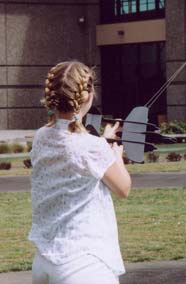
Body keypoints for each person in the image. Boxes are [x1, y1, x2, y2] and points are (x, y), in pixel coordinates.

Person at [29, 61, 131, 284]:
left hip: (44, 261)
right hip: (84, 264)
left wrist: (103, 143)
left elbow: (73, 151)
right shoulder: (92, 146)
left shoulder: (41, 136)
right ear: (87, 96)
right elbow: (123, 188)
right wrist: (115, 157)